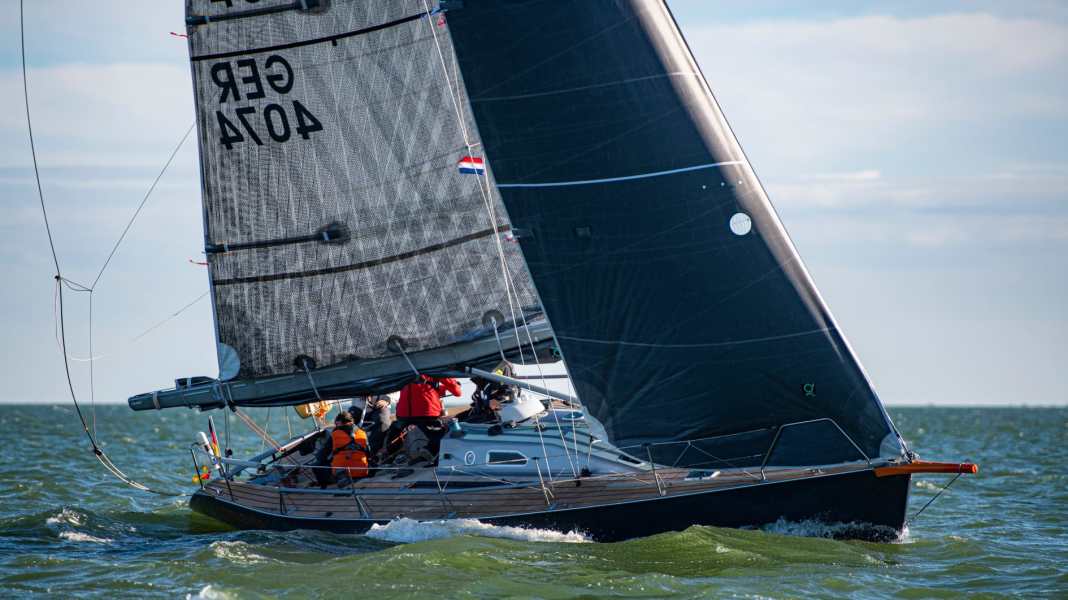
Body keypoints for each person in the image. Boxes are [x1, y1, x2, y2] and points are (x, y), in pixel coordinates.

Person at [314, 411, 369, 488]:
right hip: (362, 471)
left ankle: (324, 487)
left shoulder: (335, 434)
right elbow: (368, 452)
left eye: (336, 424)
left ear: (339, 422)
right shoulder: (362, 433)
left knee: (317, 465)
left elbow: (323, 454)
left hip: (343, 473)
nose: (335, 426)